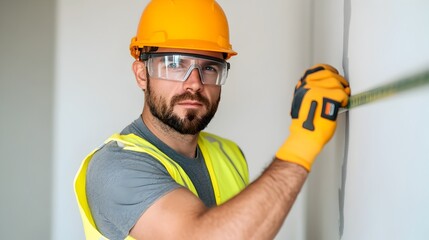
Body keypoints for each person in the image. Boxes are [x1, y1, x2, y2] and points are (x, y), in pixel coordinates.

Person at [74, 0, 351, 239]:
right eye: (175, 64)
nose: (194, 84)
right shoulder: (114, 169)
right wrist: (303, 142)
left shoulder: (228, 154)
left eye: (208, 67)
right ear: (141, 74)